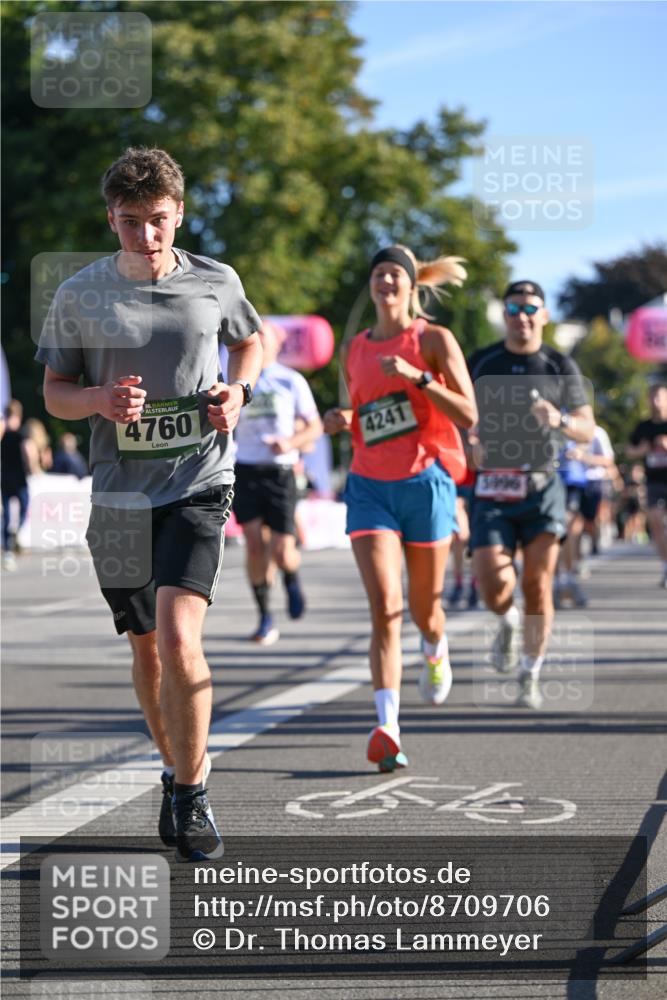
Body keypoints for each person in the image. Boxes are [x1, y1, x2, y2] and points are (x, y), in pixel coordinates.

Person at [35, 147, 263, 861]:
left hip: (198, 479)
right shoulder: (80, 293)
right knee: (147, 650)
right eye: (131, 223)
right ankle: (176, 769)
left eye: (159, 222)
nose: (146, 238)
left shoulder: (215, 281)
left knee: (176, 636)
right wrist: (99, 400)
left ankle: (193, 795)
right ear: (111, 218)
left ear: (179, 214)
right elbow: (54, 393)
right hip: (119, 494)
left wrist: (238, 390)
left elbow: (252, 340)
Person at [324, 245, 477, 772]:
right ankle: (387, 725)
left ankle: (435, 647)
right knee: (385, 607)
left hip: (425, 484)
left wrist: (418, 376)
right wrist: (343, 419)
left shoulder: (432, 339)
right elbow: (365, 412)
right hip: (369, 486)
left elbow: (468, 412)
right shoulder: (358, 347)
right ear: (371, 285)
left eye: (395, 275)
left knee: (422, 610)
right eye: (379, 275)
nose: (386, 283)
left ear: (412, 286)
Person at [467, 280, 594, 709]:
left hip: (542, 485)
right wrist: (470, 437)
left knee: (538, 583)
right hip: (491, 485)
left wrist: (558, 419)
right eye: (514, 308)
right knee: (491, 582)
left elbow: (587, 427)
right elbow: (457, 412)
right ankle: (507, 621)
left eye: (530, 307)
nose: (522, 315)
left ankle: (531, 672)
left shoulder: (559, 365)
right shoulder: (483, 361)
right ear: (504, 314)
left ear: (543, 315)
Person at [232, 320, 322, 644]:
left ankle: (292, 578)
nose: (256, 338)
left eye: (263, 334)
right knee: (255, 545)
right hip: (245, 467)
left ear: (276, 343)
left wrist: (292, 443)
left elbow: (315, 426)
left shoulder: (291, 380)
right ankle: (265, 615)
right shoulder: (237, 379)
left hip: (280, 470)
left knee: (282, 550)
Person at [554, 423, 615, 607]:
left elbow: (608, 459)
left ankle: (568, 577)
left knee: (571, 529)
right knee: (560, 530)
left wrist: (583, 456)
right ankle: (558, 580)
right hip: (551, 482)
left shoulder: (593, 431)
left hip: (581, 485)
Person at [627, 378, 667, 587]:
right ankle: (665, 565)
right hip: (654, 481)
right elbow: (629, 450)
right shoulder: (643, 426)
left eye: (659, 396)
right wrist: (641, 450)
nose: (655, 401)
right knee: (655, 520)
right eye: (652, 397)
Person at [1, 399, 30, 571]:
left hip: (5, 477)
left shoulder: (2, 433)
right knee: (24, 506)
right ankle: (17, 530)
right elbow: (28, 452)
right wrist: (32, 467)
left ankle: (7, 550)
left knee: (5, 513)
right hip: (19, 477)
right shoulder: (21, 434)